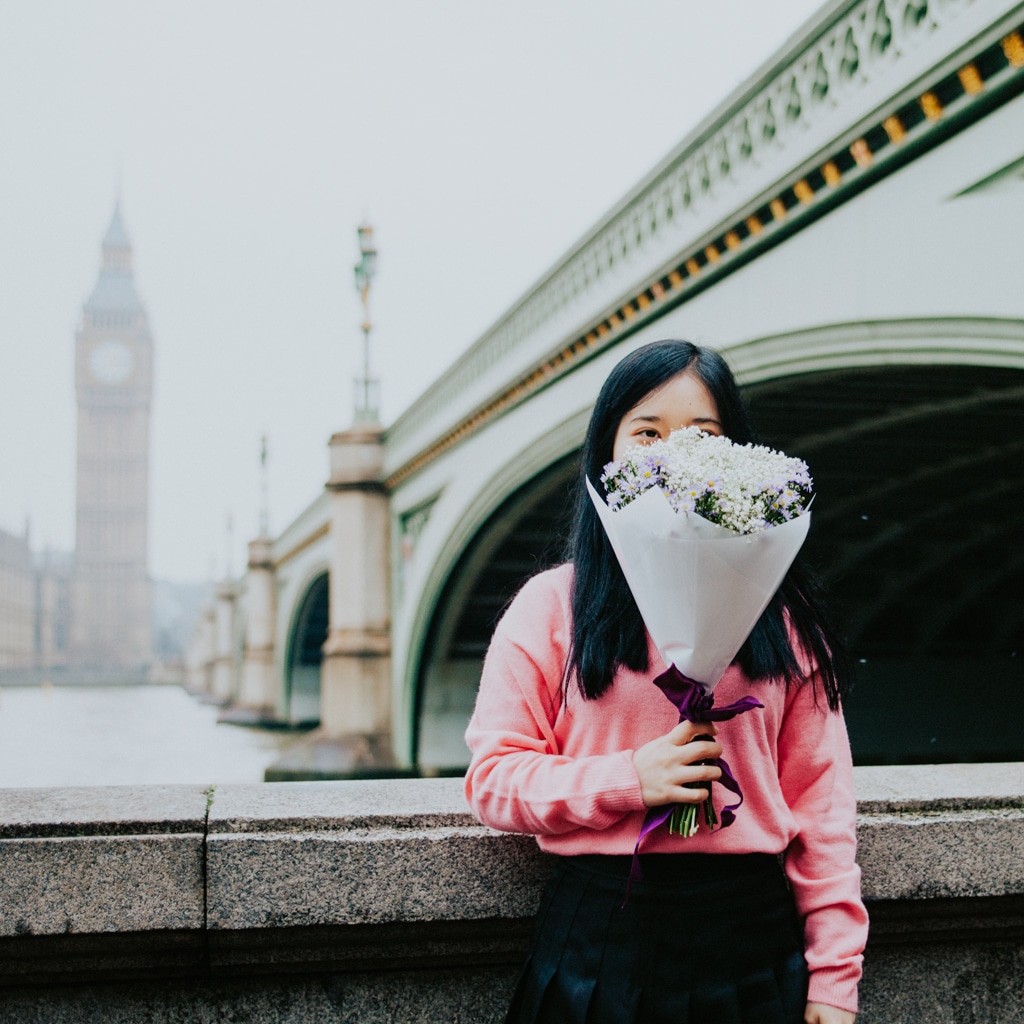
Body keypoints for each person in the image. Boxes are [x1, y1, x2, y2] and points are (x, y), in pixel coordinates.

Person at [464, 340, 868, 1024]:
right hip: (599, 938)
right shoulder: (551, 606)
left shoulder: (785, 621)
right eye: (647, 433)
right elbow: (493, 780)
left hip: (749, 937)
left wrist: (835, 977)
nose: (673, 455)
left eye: (702, 436)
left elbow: (824, 809)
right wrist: (631, 779)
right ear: (607, 454)